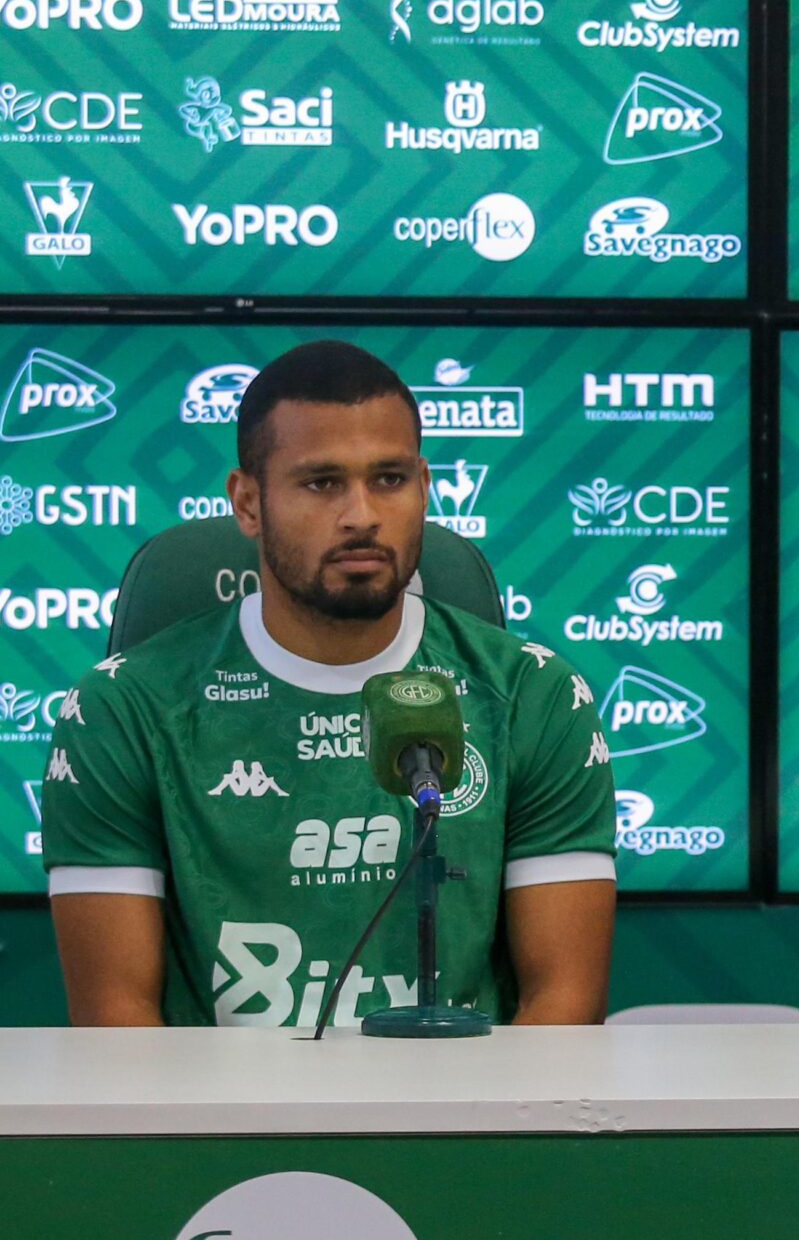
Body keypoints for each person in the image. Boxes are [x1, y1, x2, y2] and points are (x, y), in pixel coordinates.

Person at [44, 340, 618, 1026]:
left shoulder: (533, 694)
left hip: (463, 1120)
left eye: (389, 479)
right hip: (221, 1124)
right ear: (248, 502)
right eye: (322, 483)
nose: (362, 516)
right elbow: (116, 1019)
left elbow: (564, 1004)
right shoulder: (125, 708)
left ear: (425, 487)